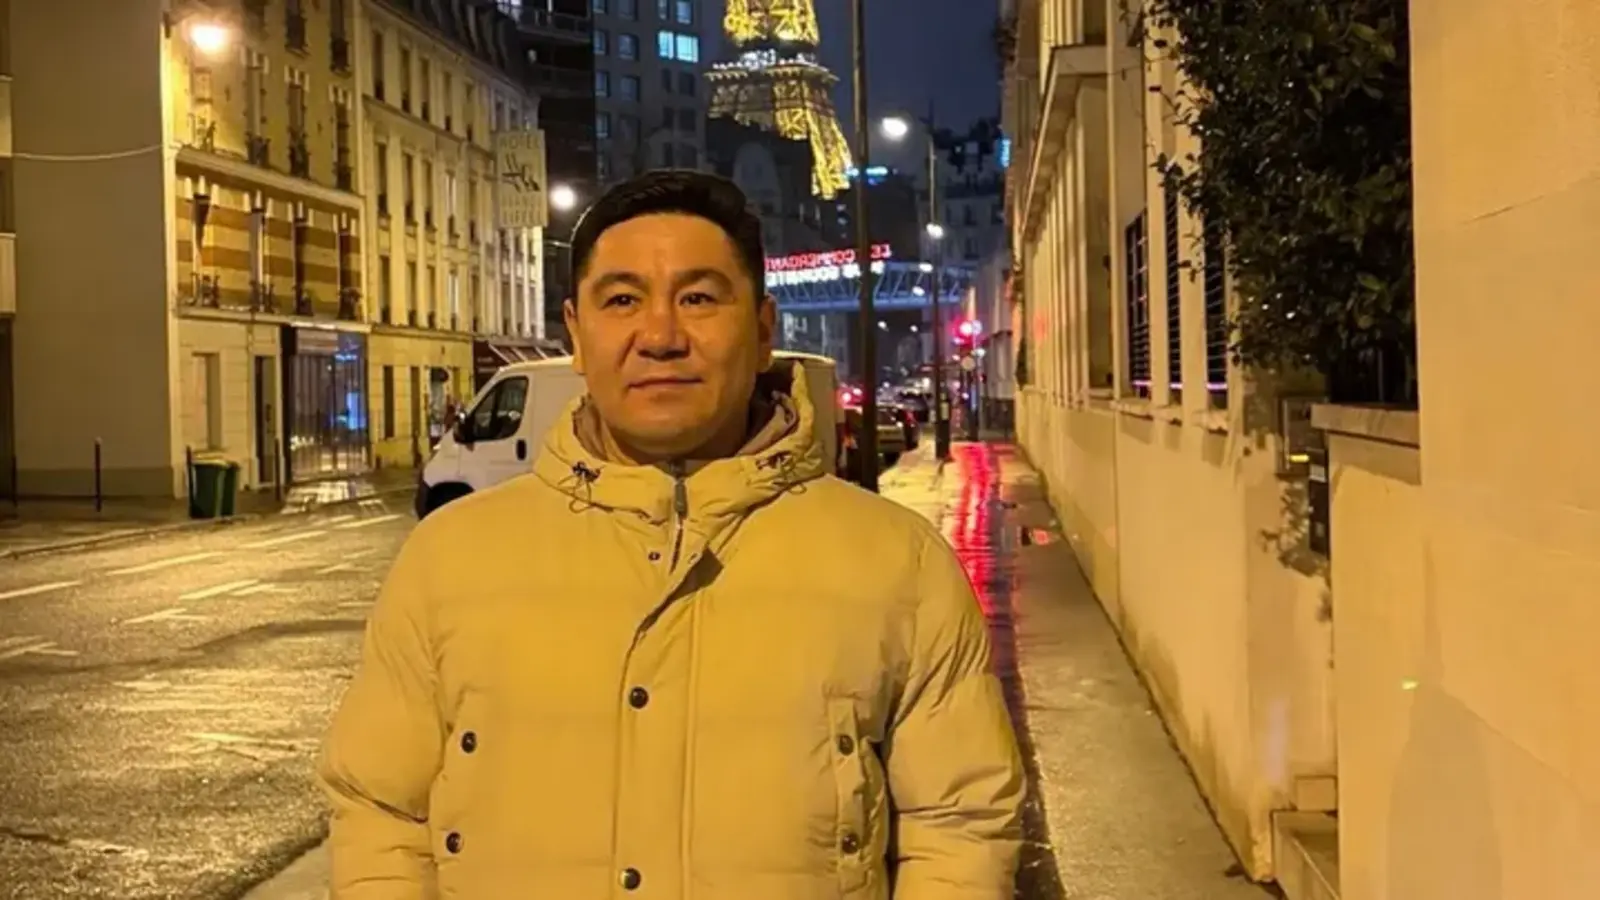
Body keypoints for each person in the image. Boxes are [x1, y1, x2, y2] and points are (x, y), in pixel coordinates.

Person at [318, 170, 1025, 899]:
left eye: (699, 298)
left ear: (762, 331)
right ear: (576, 334)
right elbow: (380, 816)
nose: (660, 337)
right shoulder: (449, 559)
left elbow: (960, 827)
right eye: (623, 300)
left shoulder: (898, 564)